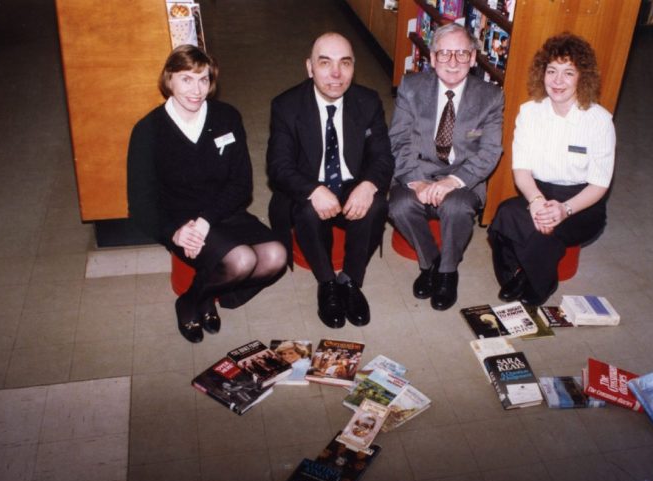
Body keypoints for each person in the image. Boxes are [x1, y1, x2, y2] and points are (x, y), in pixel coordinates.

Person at [128, 45, 286, 343]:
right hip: (181, 221)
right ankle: (189, 302)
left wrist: (206, 220)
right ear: (169, 79)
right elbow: (140, 203)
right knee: (242, 261)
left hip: (223, 211)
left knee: (276, 256)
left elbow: (241, 184)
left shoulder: (226, 117)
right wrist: (173, 232)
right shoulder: (148, 131)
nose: (196, 89)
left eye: (204, 79)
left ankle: (203, 295)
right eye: (187, 79)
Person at [267, 32, 394, 329]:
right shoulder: (286, 106)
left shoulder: (368, 101)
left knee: (375, 204)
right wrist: (313, 189)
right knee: (307, 210)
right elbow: (278, 166)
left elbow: (383, 158)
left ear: (353, 68)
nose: (336, 74)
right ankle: (327, 283)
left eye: (345, 63)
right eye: (325, 63)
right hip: (309, 183)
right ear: (310, 68)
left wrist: (367, 185)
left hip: (350, 181)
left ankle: (349, 280)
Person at [488, 33, 615, 306]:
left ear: (582, 77)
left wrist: (564, 210)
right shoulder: (529, 112)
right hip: (540, 192)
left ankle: (539, 284)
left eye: (568, 72)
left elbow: (600, 185)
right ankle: (517, 273)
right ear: (541, 73)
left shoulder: (600, 121)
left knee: (543, 232)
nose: (557, 81)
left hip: (581, 203)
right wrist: (536, 201)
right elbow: (521, 169)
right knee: (506, 216)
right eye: (552, 71)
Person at [388, 23, 503, 311]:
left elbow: (490, 151)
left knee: (455, 207)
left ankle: (448, 272)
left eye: (462, 54)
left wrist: (453, 181)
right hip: (419, 170)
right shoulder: (411, 87)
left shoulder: (490, 96)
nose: (453, 62)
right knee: (399, 206)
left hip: (464, 177)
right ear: (432, 57)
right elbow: (398, 140)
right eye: (445, 54)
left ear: (474, 59)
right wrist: (417, 181)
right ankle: (430, 264)